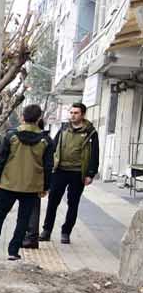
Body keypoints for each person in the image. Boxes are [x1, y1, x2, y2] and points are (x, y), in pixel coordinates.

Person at [0, 104, 53, 261]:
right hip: (31, 187)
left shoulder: (11, 136)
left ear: (22, 117)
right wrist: (45, 187)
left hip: (8, 183)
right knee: (23, 220)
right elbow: (48, 166)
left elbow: (1, 159)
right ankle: (13, 252)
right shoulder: (45, 140)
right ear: (38, 119)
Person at [40, 101, 100, 245]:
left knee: (73, 204)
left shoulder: (90, 132)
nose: (73, 115)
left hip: (78, 173)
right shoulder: (63, 128)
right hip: (60, 171)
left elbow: (95, 154)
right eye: (71, 112)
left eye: (76, 113)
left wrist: (90, 174)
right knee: (52, 201)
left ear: (83, 114)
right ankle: (46, 231)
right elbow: (53, 147)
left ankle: (66, 232)